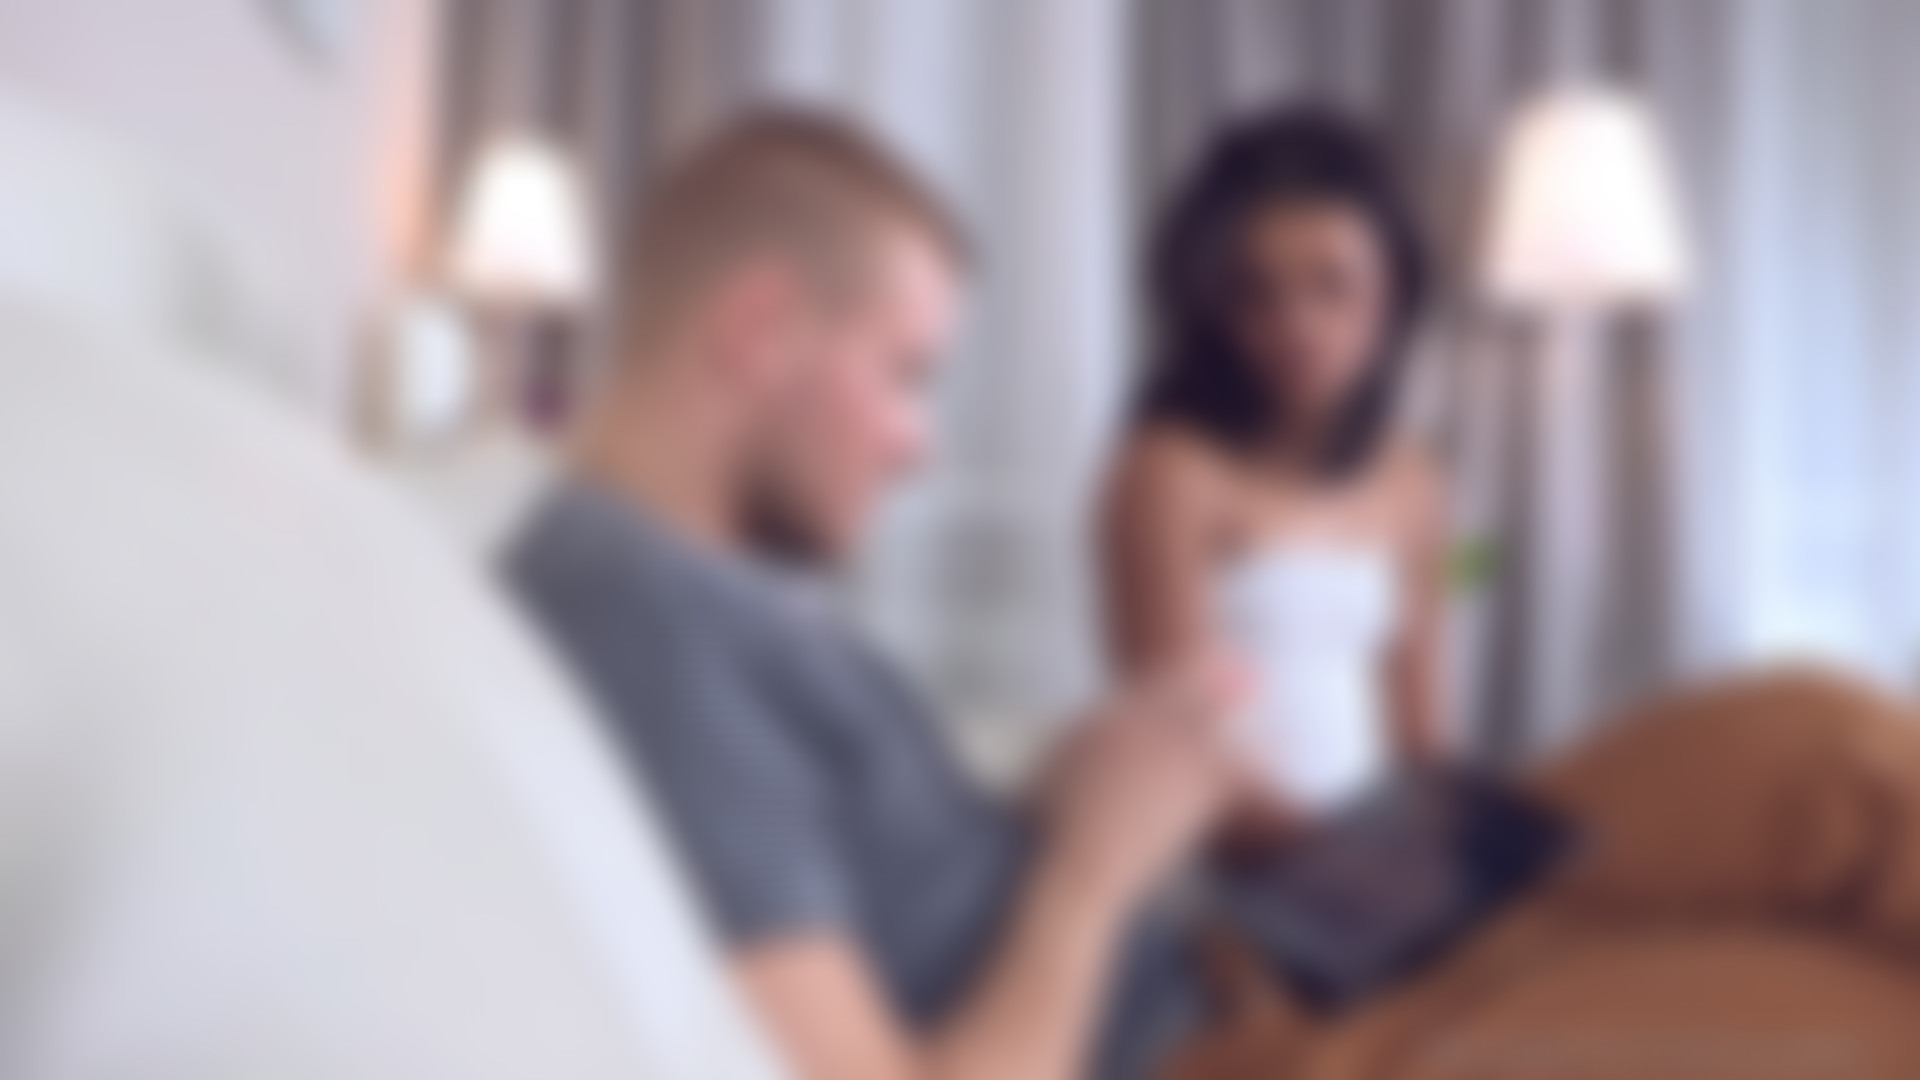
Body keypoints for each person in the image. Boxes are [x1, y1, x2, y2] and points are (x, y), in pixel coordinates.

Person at [505, 111, 1247, 1080]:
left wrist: (1072, 803)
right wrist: (1091, 872)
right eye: (905, 374)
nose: (918, 446)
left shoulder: (670, 591)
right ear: (759, 330)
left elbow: (872, 870)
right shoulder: (647, 623)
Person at [1102, 108, 1448, 824]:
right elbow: (1185, 743)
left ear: (1392, 293)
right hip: (1223, 847)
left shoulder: (1411, 477)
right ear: (1212, 304)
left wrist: (1435, 849)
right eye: (1256, 291)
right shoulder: (1169, 470)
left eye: (1333, 287)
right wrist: (1327, 859)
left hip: (1370, 852)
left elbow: (1423, 729)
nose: (1298, 324)